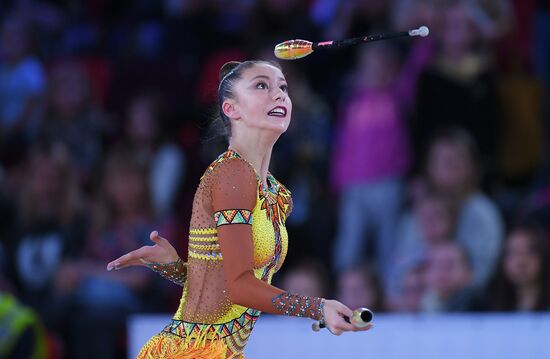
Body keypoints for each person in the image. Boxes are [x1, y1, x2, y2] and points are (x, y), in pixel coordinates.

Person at [107, 60, 372, 358]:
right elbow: (239, 287)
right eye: (262, 86)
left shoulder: (275, 192)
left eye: (283, 87)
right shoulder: (231, 174)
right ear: (232, 109)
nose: (280, 94)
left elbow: (223, 287)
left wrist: (181, 270)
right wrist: (317, 307)